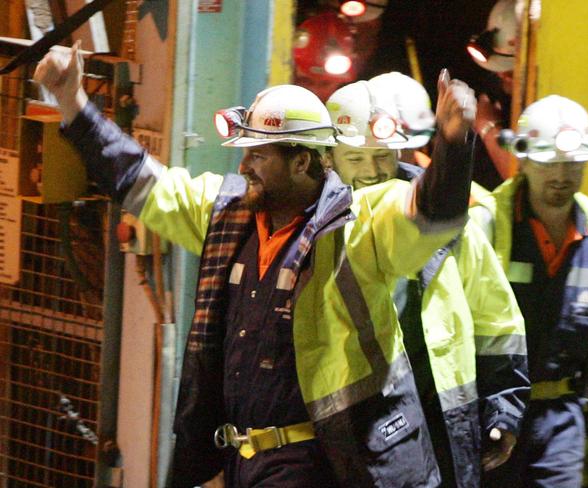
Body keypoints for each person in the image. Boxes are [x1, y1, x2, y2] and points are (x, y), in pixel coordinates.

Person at [34, 42, 477, 488]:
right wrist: (73, 102)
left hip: (324, 460)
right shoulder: (230, 214)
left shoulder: (355, 224)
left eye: (259, 155)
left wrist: (454, 144)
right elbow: (144, 182)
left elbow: (429, 218)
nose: (244, 165)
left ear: (302, 160)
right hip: (243, 459)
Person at [325, 73, 530, 488]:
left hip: (441, 424)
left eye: (382, 157)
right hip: (352, 427)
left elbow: (497, 321)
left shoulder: (447, 220)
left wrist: (502, 410)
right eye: (356, 159)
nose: (372, 172)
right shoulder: (313, 231)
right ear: (328, 159)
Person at [470, 95, 588, 487]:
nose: (561, 175)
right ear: (524, 159)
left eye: (573, 163)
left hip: (561, 418)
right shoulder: (486, 228)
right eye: (549, 161)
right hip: (492, 415)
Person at [467, 0, 521, 190]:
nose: (501, 74)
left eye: (511, 71)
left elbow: (522, 181)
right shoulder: (493, 92)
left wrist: (488, 127)